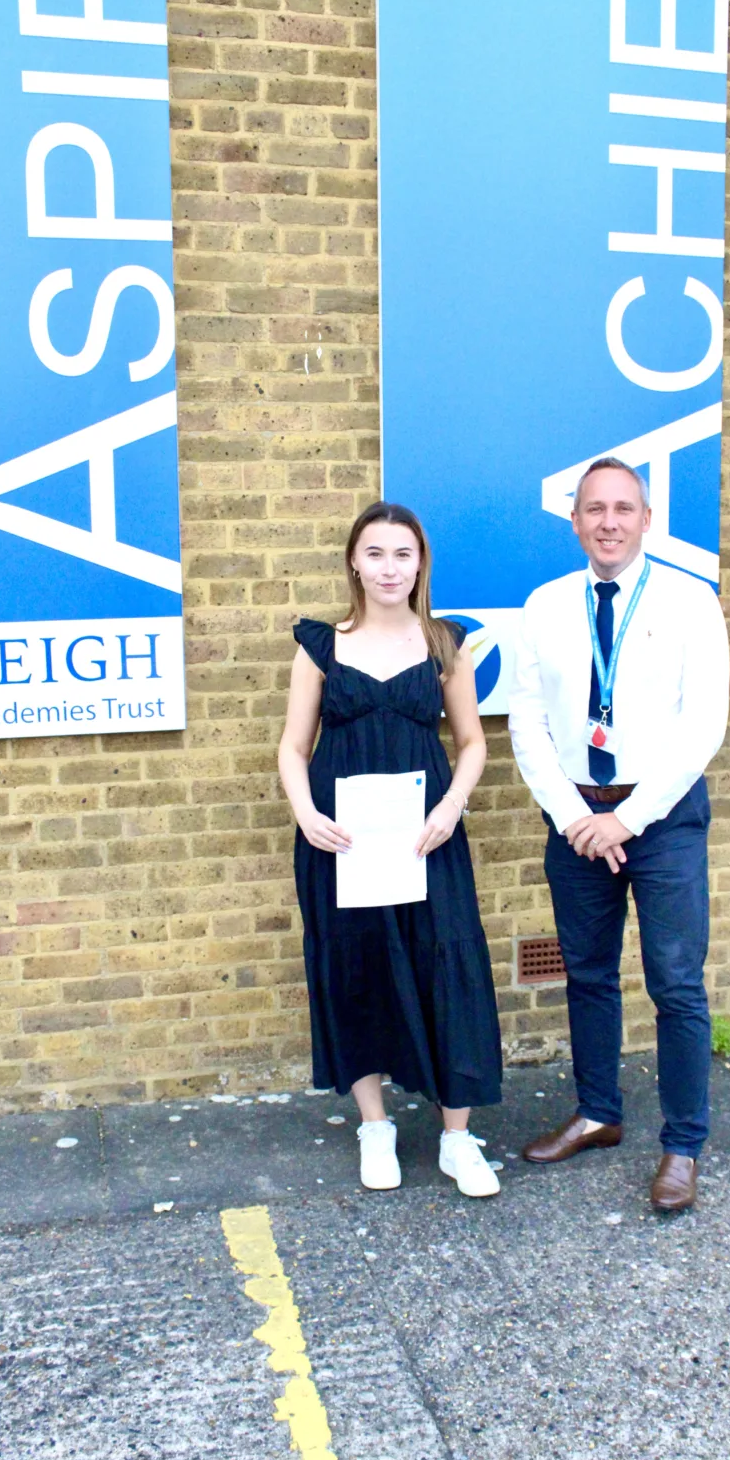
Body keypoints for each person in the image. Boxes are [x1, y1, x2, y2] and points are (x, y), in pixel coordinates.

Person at [507, 458, 729, 1211]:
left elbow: (704, 726)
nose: (608, 522)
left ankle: (683, 1146)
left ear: (646, 519)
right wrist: (576, 818)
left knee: (675, 985)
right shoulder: (542, 605)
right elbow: (527, 722)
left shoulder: (692, 601)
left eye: (623, 508)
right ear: (574, 521)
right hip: (575, 820)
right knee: (589, 974)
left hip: (660, 821)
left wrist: (625, 821)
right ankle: (599, 1113)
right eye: (594, 509)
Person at [279, 501, 502, 1198]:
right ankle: (375, 1127)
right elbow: (291, 746)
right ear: (353, 560)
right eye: (374, 552)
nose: (388, 567)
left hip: (423, 840)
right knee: (358, 971)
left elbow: (472, 743)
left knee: (448, 967)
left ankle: (457, 1139)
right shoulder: (320, 646)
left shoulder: (443, 643)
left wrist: (449, 809)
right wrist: (306, 812)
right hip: (341, 843)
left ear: (419, 563)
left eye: (401, 554)